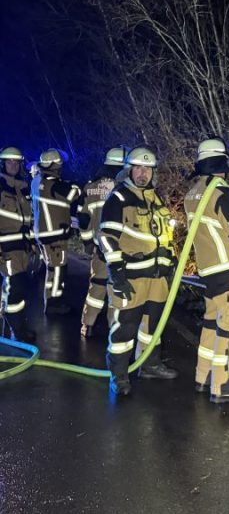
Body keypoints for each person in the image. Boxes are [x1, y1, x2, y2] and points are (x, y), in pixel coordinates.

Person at [98, 145, 178, 396]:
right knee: (125, 328)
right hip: (130, 278)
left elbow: (165, 235)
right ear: (129, 170)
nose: (142, 173)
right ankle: (119, 376)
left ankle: (150, 364)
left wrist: (171, 263)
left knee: (152, 326)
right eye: (138, 168)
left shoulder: (156, 198)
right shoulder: (119, 198)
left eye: (147, 169)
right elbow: (106, 238)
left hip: (157, 277)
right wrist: (117, 273)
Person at [183, 137, 229, 403]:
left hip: (210, 272)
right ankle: (225, 386)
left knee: (212, 325)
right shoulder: (222, 192)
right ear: (223, 162)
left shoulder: (193, 193)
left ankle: (203, 377)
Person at [76, 146, 125, 337]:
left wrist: (87, 241)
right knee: (116, 290)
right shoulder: (123, 187)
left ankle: (87, 325)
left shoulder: (91, 186)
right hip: (117, 247)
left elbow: (83, 218)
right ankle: (114, 327)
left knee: (96, 285)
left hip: (98, 248)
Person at [31, 149, 81, 314]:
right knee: (58, 270)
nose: (61, 167)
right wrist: (74, 184)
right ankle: (55, 303)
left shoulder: (37, 181)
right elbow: (74, 194)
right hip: (54, 235)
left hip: (43, 233)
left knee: (52, 269)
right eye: (59, 165)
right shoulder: (54, 184)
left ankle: (51, 299)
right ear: (54, 166)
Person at [0, 146, 36, 342]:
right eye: (9, 162)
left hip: (21, 248)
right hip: (6, 248)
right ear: (3, 164)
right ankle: (16, 332)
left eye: (16, 162)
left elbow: (27, 219)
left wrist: (31, 244)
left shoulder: (23, 186)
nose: (13, 165)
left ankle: (17, 327)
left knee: (20, 289)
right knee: (14, 289)